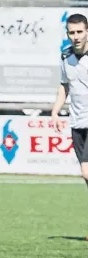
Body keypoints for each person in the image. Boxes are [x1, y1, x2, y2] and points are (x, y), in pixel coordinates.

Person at [51, 13, 88, 235]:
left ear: (87, 32)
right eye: (72, 33)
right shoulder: (66, 58)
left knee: (86, 173)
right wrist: (56, 110)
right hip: (77, 123)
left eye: (79, 32)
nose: (75, 37)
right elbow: (64, 86)